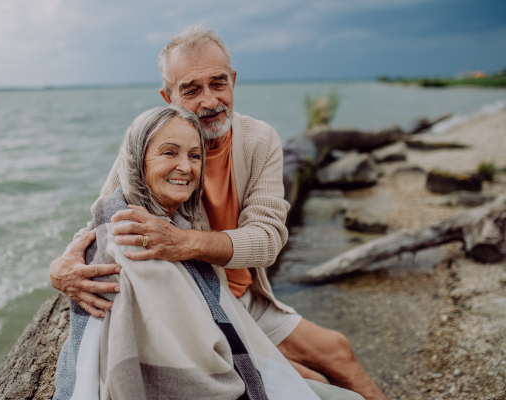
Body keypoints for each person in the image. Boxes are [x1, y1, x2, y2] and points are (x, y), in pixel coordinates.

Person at [50, 25, 386, 400]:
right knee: (310, 382)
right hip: (196, 300)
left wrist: (183, 242)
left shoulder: (260, 139)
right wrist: (59, 266)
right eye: (191, 90)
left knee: (338, 349)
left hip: (247, 297)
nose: (210, 101)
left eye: (218, 83)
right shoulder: (148, 142)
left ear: (234, 81)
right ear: (168, 96)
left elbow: (267, 240)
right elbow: (104, 217)